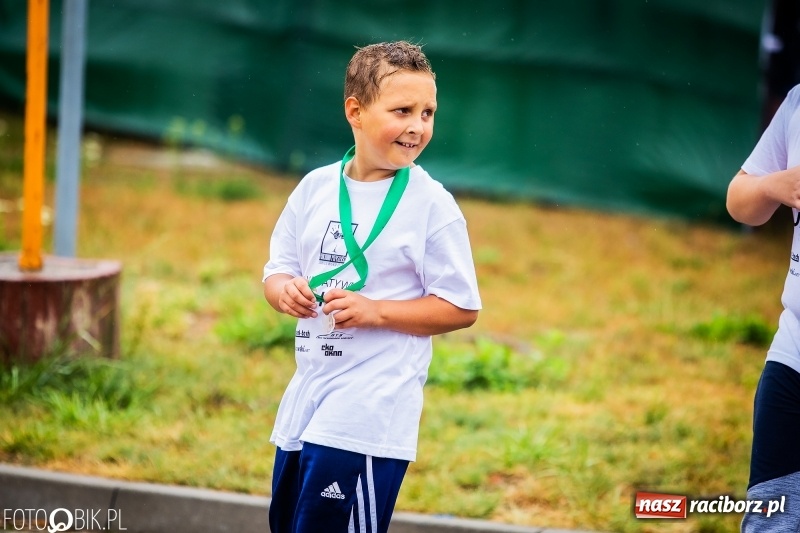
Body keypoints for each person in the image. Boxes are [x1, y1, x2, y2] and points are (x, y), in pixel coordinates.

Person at [261, 41, 482, 533]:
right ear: (355, 112)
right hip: (306, 401)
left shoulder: (433, 206)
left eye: (427, 113)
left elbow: (461, 307)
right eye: (402, 110)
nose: (417, 126)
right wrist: (283, 292)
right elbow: (276, 269)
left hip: (369, 412)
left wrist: (377, 311)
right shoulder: (315, 188)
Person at [727, 85, 800, 531]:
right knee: (771, 520)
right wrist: (776, 183)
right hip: (792, 356)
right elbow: (740, 202)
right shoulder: (798, 101)